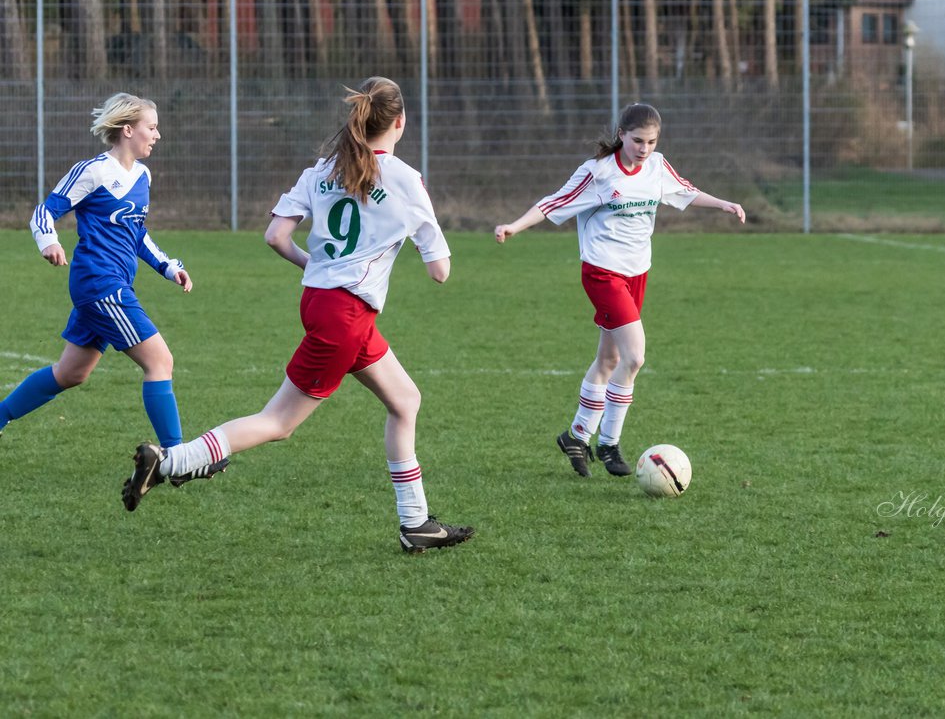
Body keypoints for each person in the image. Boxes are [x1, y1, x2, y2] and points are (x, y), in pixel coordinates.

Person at [120, 77, 472, 553]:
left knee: (405, 400)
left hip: (326, 305)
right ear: (401, 122)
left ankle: (416, 524)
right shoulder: (407, 180)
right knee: (279, 421)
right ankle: (170, 462)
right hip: (346, 313)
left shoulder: (323, 170)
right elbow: (440, 272)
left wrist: (322, 267)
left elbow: (275, 237)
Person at [494, 102, 745, 478]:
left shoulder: (657, 166)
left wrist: (722, 203)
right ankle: (609, 443)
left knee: (609, 360)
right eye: (638, 140)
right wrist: (515, 225)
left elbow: (684, 191)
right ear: (622, 135)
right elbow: (553, 202)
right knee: (635, 357)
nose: (644, 148)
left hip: (637, 273)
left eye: (652, 141)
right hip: (603, 272)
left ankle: (576, 435)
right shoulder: (598, 173)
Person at [0, 93, 223, 486]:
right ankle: (178, 458)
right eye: (151, 127)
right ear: (128, 130)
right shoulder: (93, 172)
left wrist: (169, 267)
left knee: (71, 372)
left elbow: (137, 234)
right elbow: (44, 212)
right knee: (160, 361)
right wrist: (48, 241)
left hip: (111, 283)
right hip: (98, 283)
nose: (157, 134)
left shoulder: (143, 177)